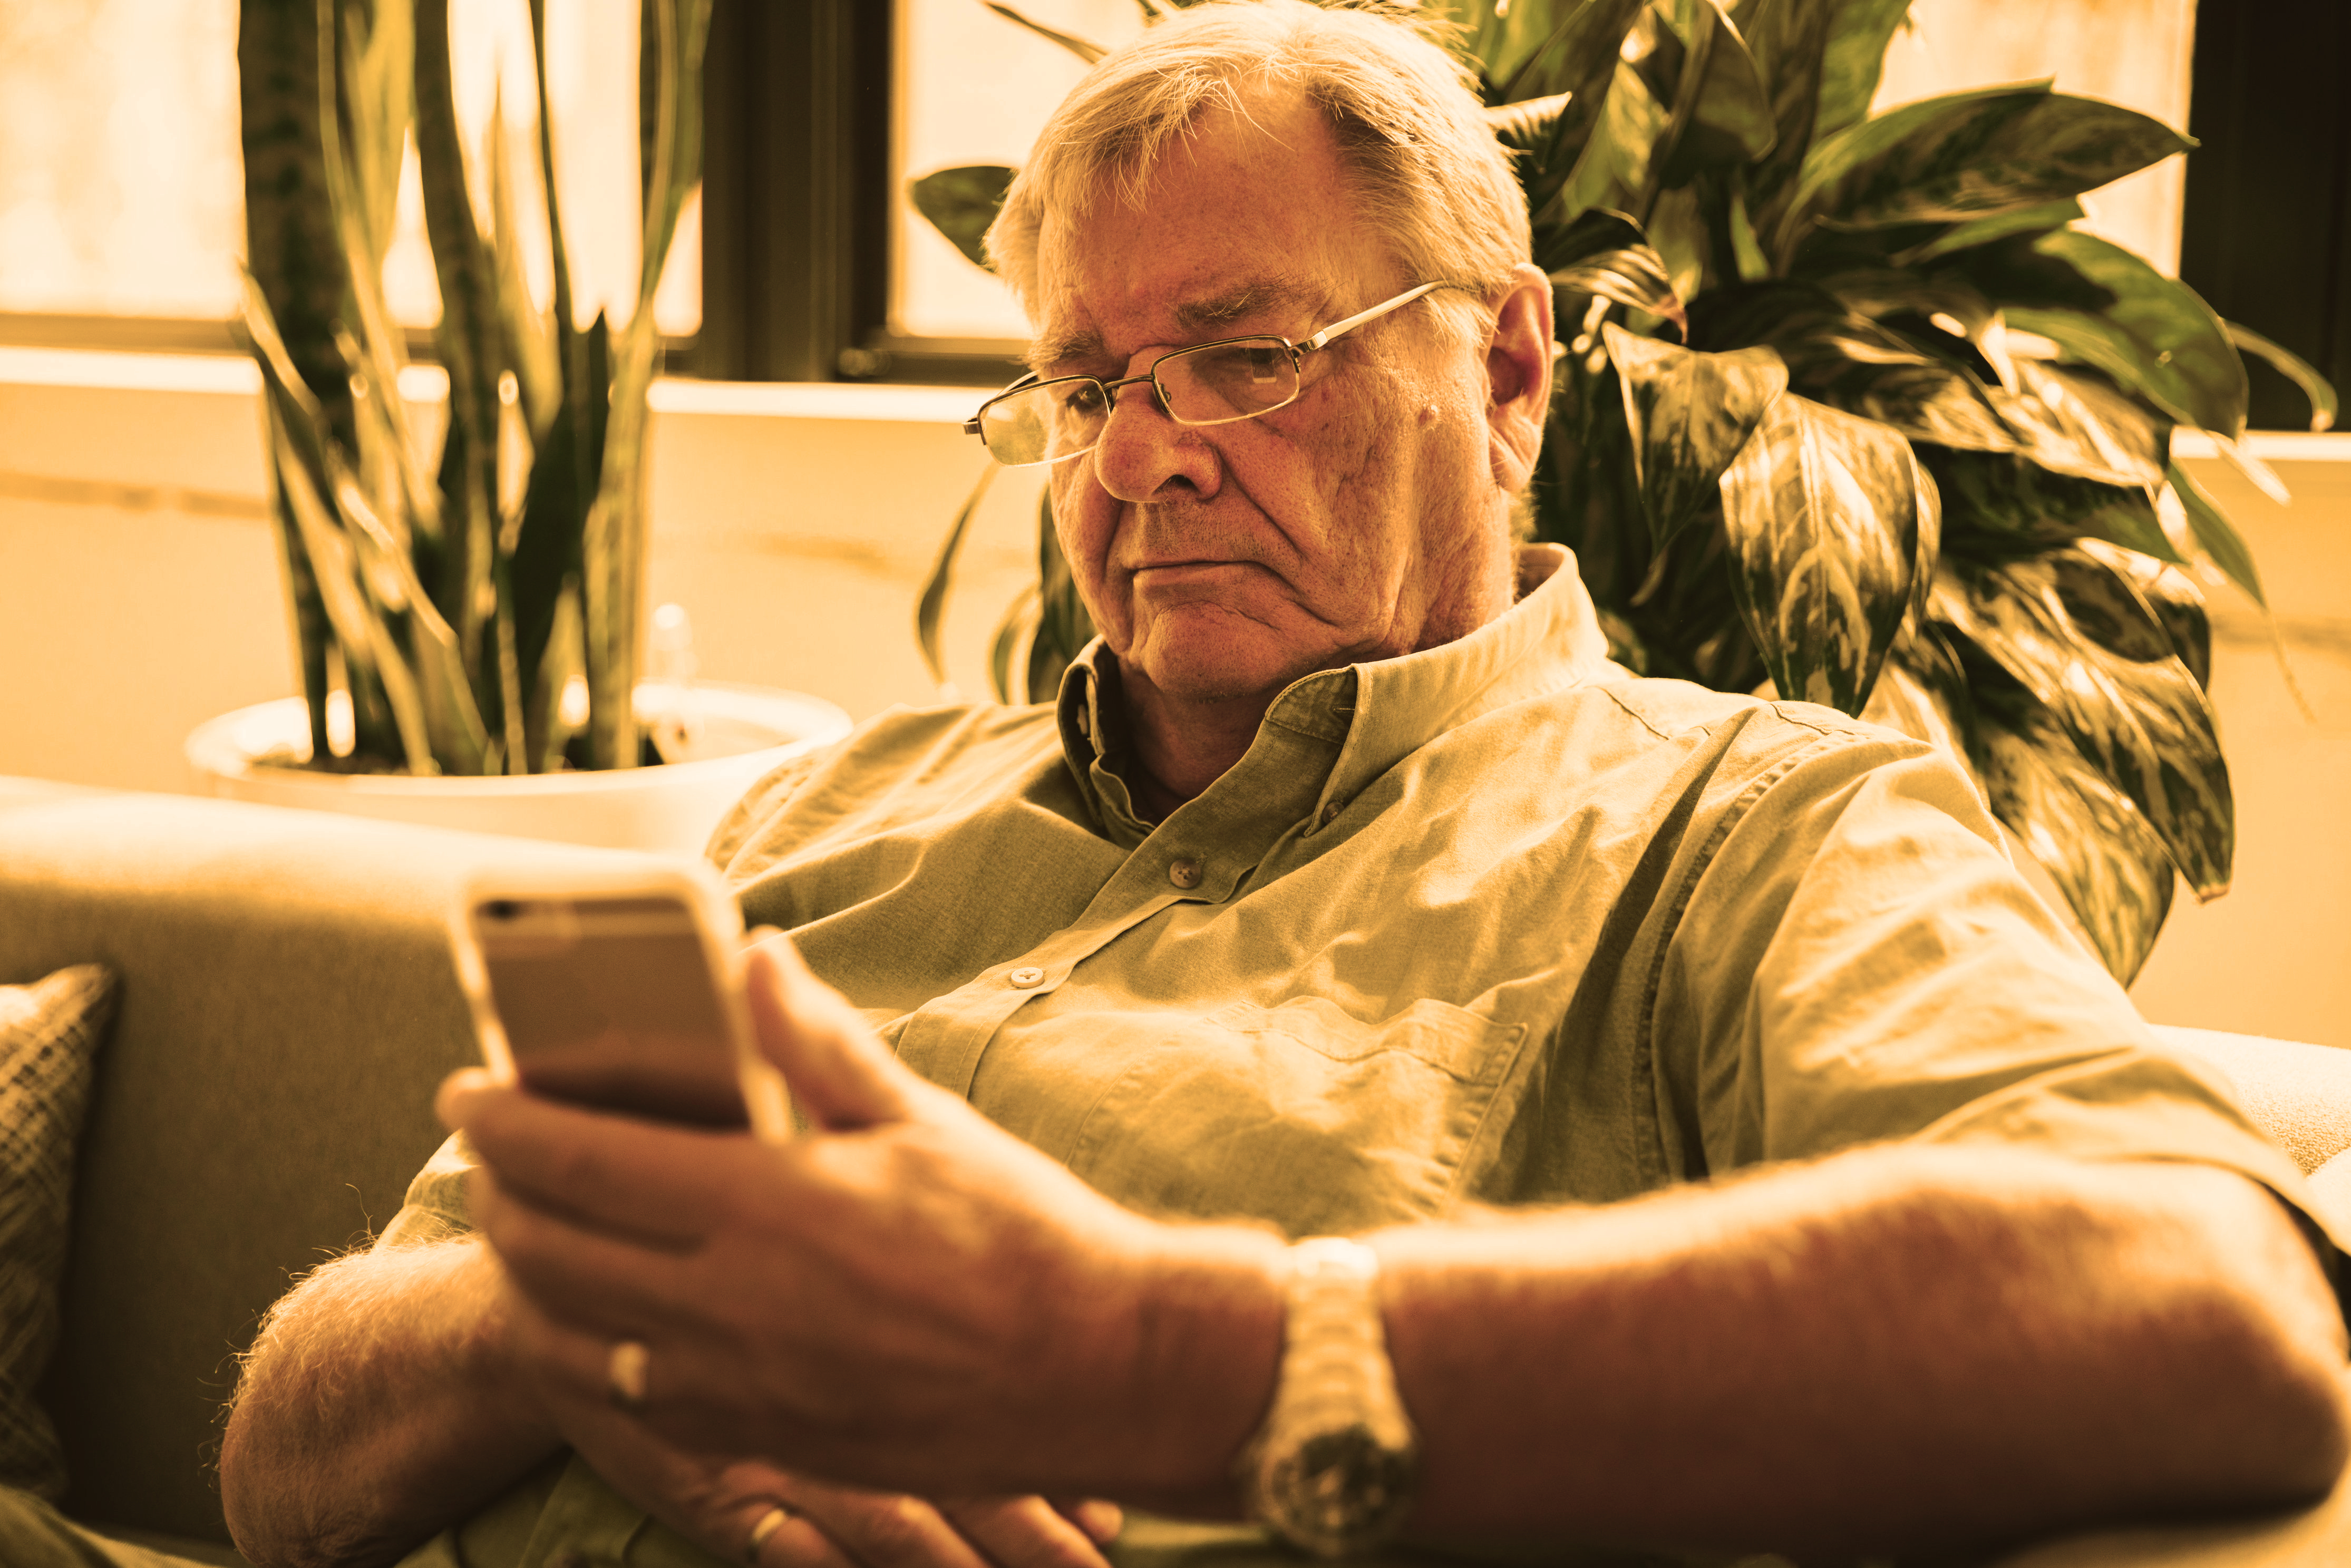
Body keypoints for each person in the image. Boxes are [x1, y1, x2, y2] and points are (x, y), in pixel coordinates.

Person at [218, 4, 2351, 1567]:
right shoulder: (817, 819)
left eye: (1246, 354)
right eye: (1085, 384)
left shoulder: (1750, 837)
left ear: (1504, 369)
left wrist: (1149, 1350)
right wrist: (580, 1324)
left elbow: (2215, 1308)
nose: (1144, 453)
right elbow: (279, 1473)